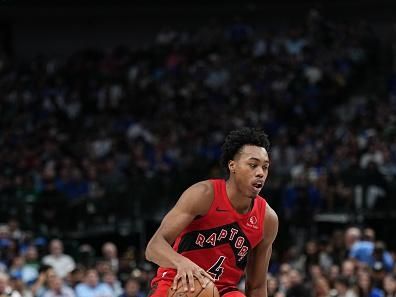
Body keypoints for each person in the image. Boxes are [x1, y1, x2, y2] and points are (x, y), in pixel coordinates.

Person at [145, 127, 278, 297]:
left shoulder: (267, 219)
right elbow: (153, 247)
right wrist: (181, 263)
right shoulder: (204, 195)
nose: (260, 173)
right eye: (253, 165)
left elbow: (257, 287)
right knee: (203, 289)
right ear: (232, 166)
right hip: (180, 280)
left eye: (265, 167)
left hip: (224, 290)